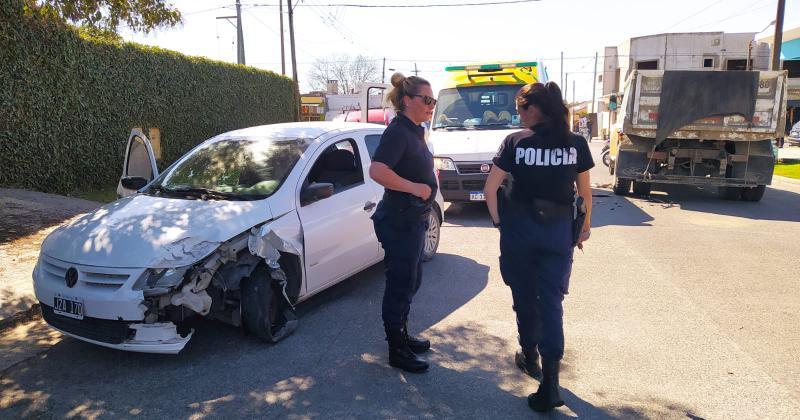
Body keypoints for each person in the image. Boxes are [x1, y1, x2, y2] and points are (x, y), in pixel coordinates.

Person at [483, 81, 594, 412]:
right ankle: (551, 383)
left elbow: (491, 189)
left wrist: (500, 223)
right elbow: (585, 195)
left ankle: (528, 353)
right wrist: (582, 229)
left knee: (523, 296)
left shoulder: (515, 143)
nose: (518, 115)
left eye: (519, 108)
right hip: (558, 234)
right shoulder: (575, 143)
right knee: (551, 304)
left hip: (519, 233)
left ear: (533, 109)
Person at [369, 72, 438, 373]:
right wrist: (415, 188)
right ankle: (396, 349)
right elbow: (377, 170)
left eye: (433, 100)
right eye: (427, 100)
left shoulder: (415, 130)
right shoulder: (398, 132)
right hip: (398, 222)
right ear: (408, 100)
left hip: (413, 221)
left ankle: (404, 335)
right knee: (400, 285)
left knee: (412, 281)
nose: (432, 105)